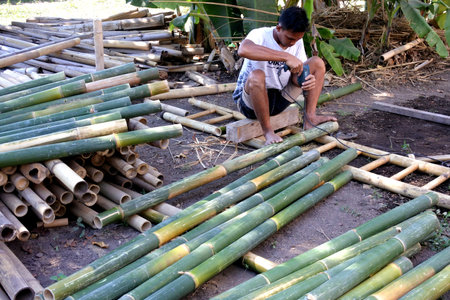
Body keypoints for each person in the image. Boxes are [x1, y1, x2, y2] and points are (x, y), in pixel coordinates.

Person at [232, 6, 337, 145]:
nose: (292, 42)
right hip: (250, 104)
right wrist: (285, 56)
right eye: (289, 38)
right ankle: (268, 132)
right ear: (279, 28)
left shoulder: (296, 41)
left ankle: (310, 119)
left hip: (279, 100)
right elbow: (243, 50)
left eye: (297, 39)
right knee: (257, 76)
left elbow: (295, 77)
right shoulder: (260, 34)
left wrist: (306, 81)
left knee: (317, 63)